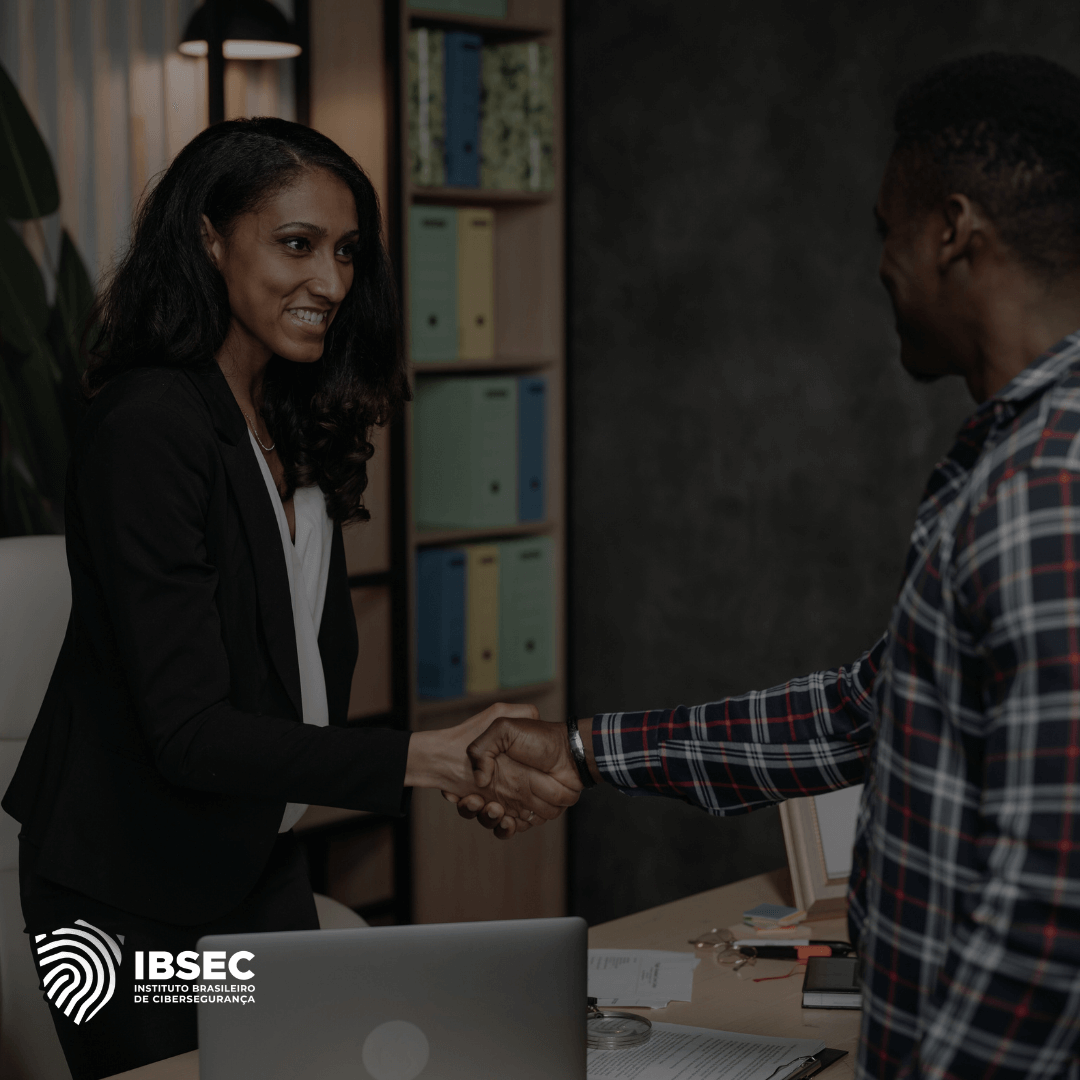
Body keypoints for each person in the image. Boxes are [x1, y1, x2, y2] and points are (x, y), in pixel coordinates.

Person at [457, 53, 1080, 1080]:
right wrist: (581, 749)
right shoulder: (1010, 468)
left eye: (889, 231)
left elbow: (1053, 907)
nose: (881, 265)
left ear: (955, 230)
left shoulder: (1045, 492)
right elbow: (862, 711)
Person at [1, 118, 573, 1080]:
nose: (334, 282)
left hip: (247, 866)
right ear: (210, 239)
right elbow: (188, 732)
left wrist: (443, 770)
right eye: (296, 244)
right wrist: (430, 759)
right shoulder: (147, 428)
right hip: (114, 914)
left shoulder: (279, 417)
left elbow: (290, 676)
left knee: (314, 1065)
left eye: (347, 251)